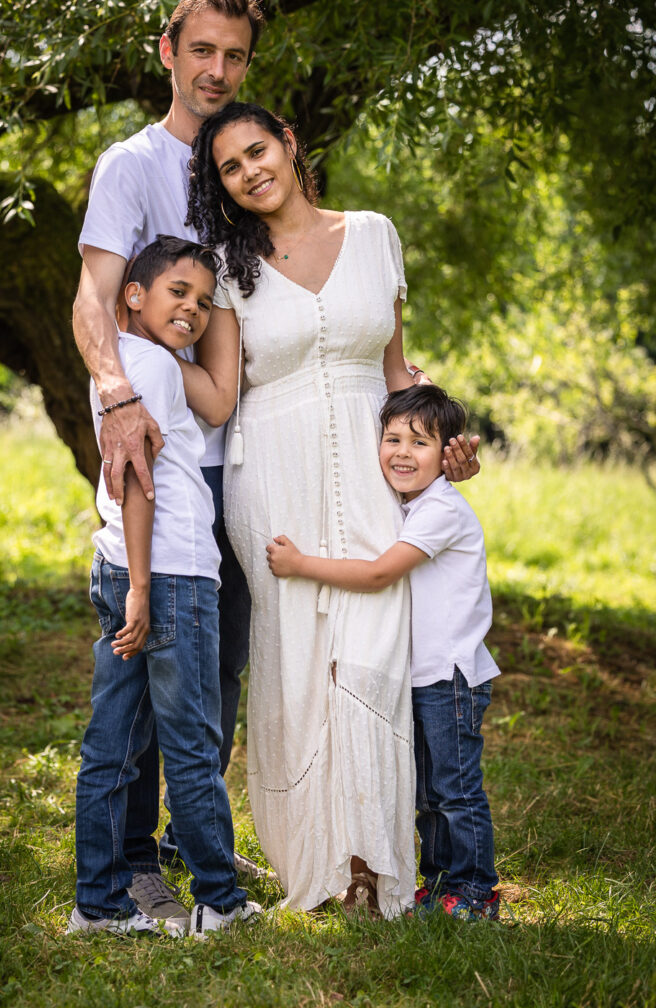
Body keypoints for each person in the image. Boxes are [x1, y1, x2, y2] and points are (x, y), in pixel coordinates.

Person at [177, 102, 481, 917]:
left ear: (288, 142)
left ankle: (375, 861)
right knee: (298, 660)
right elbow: (223, 390)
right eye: (229, 169)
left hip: (374, 458)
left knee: (376, 643)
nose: (249, 173)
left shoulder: (376, 232)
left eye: (257, 152)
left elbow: (395, 372)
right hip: (271, 470)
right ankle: (320, 864)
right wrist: (137, 371)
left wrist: (444, 445)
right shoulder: (228, 264)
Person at [72, 0, 265, 925]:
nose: (217, 71)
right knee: (153, 670)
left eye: (234, 56)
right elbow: (91, 299)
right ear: (168, 50)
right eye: (203, 51)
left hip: (235, 451)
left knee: (216, 663)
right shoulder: (130, 165)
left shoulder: (245, 160)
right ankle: (138, 864)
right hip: (159, 444)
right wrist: (114, 399)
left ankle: (197, 848)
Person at [69, 236, 261, 939]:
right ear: (133, 294)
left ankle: (98, 903)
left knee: (113, 743)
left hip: (123, 563)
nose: (195, 308)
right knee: (190, 742)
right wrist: (146, 590)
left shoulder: (130, 362)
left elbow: (213, 403)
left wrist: (132, 582)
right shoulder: (149, 364)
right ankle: (219, 899)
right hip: (170, 571)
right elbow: (137, 480)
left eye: (206, 301)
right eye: (180, 292)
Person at [266, 385, 501, 920]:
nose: (400, 451)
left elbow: (377, 574)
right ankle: (440, 882)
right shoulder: (405, 506)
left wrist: (303, 565)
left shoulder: (441, 509)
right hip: (420, 677)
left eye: (419, 442)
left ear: (447, 456)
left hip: (451, 675)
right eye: (391, 438)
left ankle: (473, 890)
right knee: (428, 791)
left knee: (455, 789)